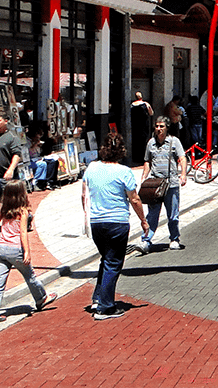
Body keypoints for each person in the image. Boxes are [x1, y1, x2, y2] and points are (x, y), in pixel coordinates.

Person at [82, 132, 148, 320]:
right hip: (117, 222)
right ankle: (105, 307)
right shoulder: (124, 172)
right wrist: (143, 220)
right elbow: (134, 199)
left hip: (96, 222)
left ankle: (98, 297)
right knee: (113, 262)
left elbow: (83, 194)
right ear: (121, 151)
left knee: (106, 259)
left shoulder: (92, 168)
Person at [0, 180, 57, 323]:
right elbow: (23, 233)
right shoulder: (22, 212)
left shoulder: (3, 209)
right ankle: (41, 298)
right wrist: (27, 252)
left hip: (2, 249)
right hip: (16, 250)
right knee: (30, 276)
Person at [138, 116, 187, 253]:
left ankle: (174, 239)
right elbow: (147, 161)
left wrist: (183, 174)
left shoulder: (174, 142)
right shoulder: (151, 143)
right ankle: (146, 241)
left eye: (161, 126)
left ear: (167, 128)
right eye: (157, 126)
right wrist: (144, 177)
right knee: (152, 215)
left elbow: (182, 158)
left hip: (170, 184)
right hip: (155, 184)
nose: (158, 129)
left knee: (173, 215)